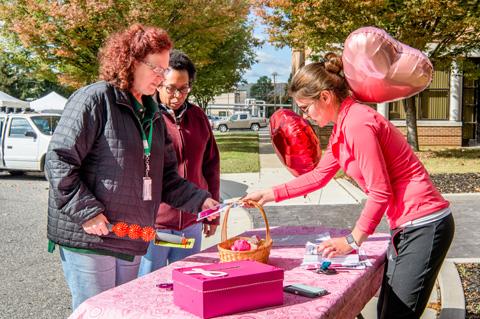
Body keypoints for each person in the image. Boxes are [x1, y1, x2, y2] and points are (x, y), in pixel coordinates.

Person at [244, 53, 455, 319]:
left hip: (425, 225)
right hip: (406, 225)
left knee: (397, 315)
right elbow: (319, 175)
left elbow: (380, 191)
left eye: (305, 107)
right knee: (385, 311)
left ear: (325, 97)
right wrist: (270, 194)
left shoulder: (357, 123)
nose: (305, 116)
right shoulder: (342, 127)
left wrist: (351, 241)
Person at [45, 24, 218, 310]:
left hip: (128, 236)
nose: (162, 77)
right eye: (157, 68)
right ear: (132, 61)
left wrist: (202, 201)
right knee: (97, 312)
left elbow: (166, 179)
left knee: (124, 311)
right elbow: (59, 160)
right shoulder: (95, 98)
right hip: (90, 236)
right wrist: (87, 212)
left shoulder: (152, 113)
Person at [138, 50, 220, 275]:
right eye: (171, 88)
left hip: (191, 223)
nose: (177, 95)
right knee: (149, 284)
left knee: (188, 282)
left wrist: (213, 213)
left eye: (184, 88)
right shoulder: (147, 117)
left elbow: (211, 166)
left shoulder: (198, 116)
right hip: (156, 225)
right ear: (159, 84)